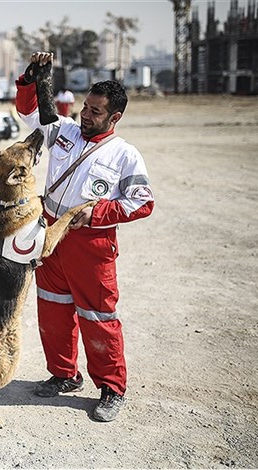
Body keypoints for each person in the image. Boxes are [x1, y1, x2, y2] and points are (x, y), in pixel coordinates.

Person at [16, 52, 154, 422]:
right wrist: (32, 79)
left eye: (95, 111)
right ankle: (64, 374)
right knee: (53, 308)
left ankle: (111, 388)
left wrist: (98, 213)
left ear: (115, 117)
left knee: (97, 316)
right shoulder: (62, 132)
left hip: (91, 245)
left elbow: (142, 201)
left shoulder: (125, 155)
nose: (85, 114)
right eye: (86, 106)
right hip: (50, 237)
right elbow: (29, 114)